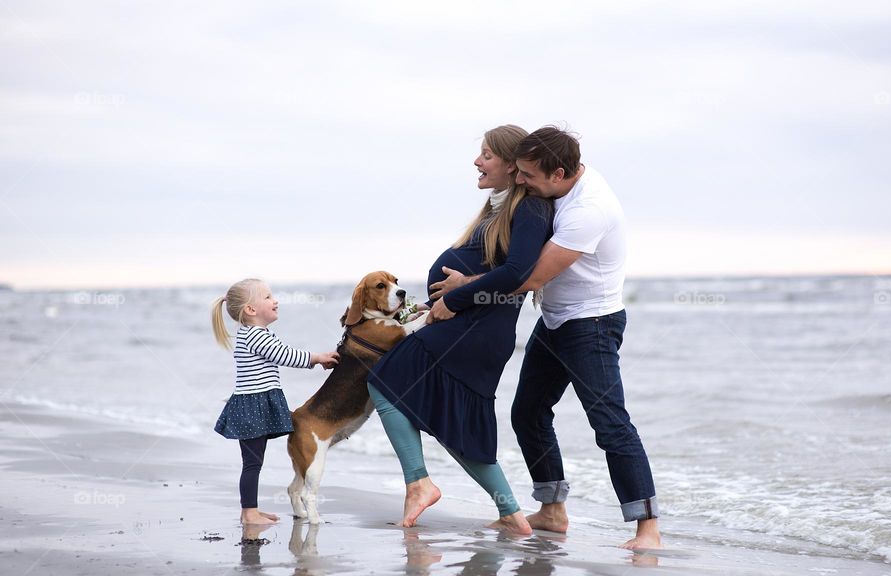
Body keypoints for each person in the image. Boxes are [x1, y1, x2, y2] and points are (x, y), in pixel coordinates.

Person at [430, 126, 662, 549]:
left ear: (558, 174)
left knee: (610, 424)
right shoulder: (555, 184)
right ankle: (552, 511)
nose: (520, 181)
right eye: (517, 171)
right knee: (528, 413)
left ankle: (648, 529)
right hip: (556, 320)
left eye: (528, 176)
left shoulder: (589, 210)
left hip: (591, 325)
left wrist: (463, 292)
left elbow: (531, 276)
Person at [366, 125, 554, 535]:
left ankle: (419, 482)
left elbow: (517, 273)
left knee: (385, 381)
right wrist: (431, 304)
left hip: (476, 331)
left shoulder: (530, 211)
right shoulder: (497, 208)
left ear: (510, 164)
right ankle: (511, 513)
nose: (477, 161)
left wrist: (454, 299)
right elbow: (489, 271)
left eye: (486, 154)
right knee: (457, 421)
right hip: (470, 327)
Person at [211, 278, 339, 525]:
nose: (275, 300)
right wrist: (317, 357)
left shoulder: (251, 334)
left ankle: (251, 511)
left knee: (253, 462)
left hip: (253, 406)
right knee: (252, 463)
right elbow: (285, 355)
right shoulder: (256, 336)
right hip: (252, 407)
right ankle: (249, 513)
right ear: (250, 310)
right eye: (268, 297)